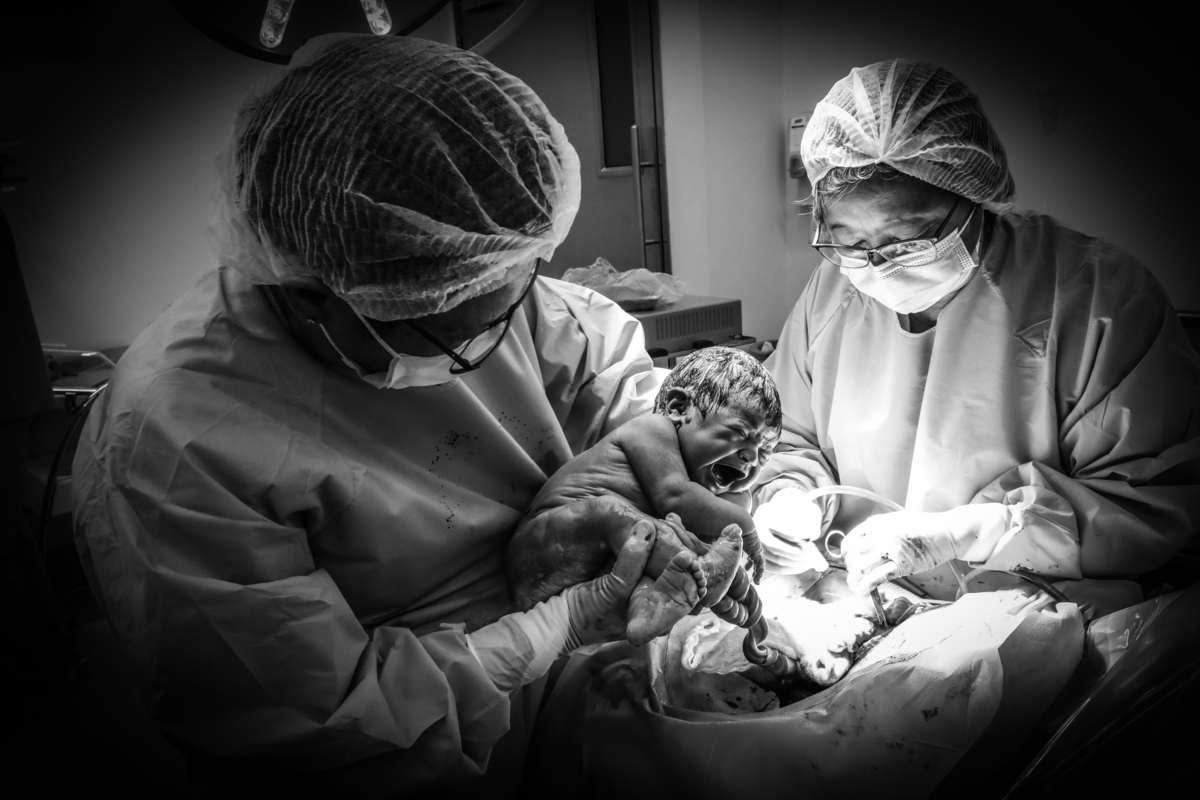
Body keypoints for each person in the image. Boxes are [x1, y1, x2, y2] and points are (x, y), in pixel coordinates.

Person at [71, 34, 669, 796]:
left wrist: (664, 453)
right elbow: (314, 719)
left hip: (566, 715)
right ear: (314, 291)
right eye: (464, 327)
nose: (506, 332)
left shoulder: (488, 289)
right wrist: (549, 629)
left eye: (519, 288)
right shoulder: (177, 440)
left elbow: (600, 360)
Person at [753, 59, 1200, 610]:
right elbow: (786, 436)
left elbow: (1146, 503)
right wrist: (788, 495)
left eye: (909, 238)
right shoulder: (832, 291)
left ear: (972, 195)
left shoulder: (1098, 298)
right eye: (851, 241)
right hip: (861, 598)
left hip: (1032, 613)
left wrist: (968, 532)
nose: (879, 265)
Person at [508, 347, 777, 646]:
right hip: (543, 547)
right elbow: (674, 497)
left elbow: (676, 540)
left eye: (765, 452)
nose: (752, 457)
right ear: (678, 408)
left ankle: (647, 609)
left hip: (587, 593)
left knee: (667, 542)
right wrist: (745, 527)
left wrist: (731, 553)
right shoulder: (652, 430)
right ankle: (716, 591)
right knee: (623, 518)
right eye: (741, 433)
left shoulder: (707, 497)